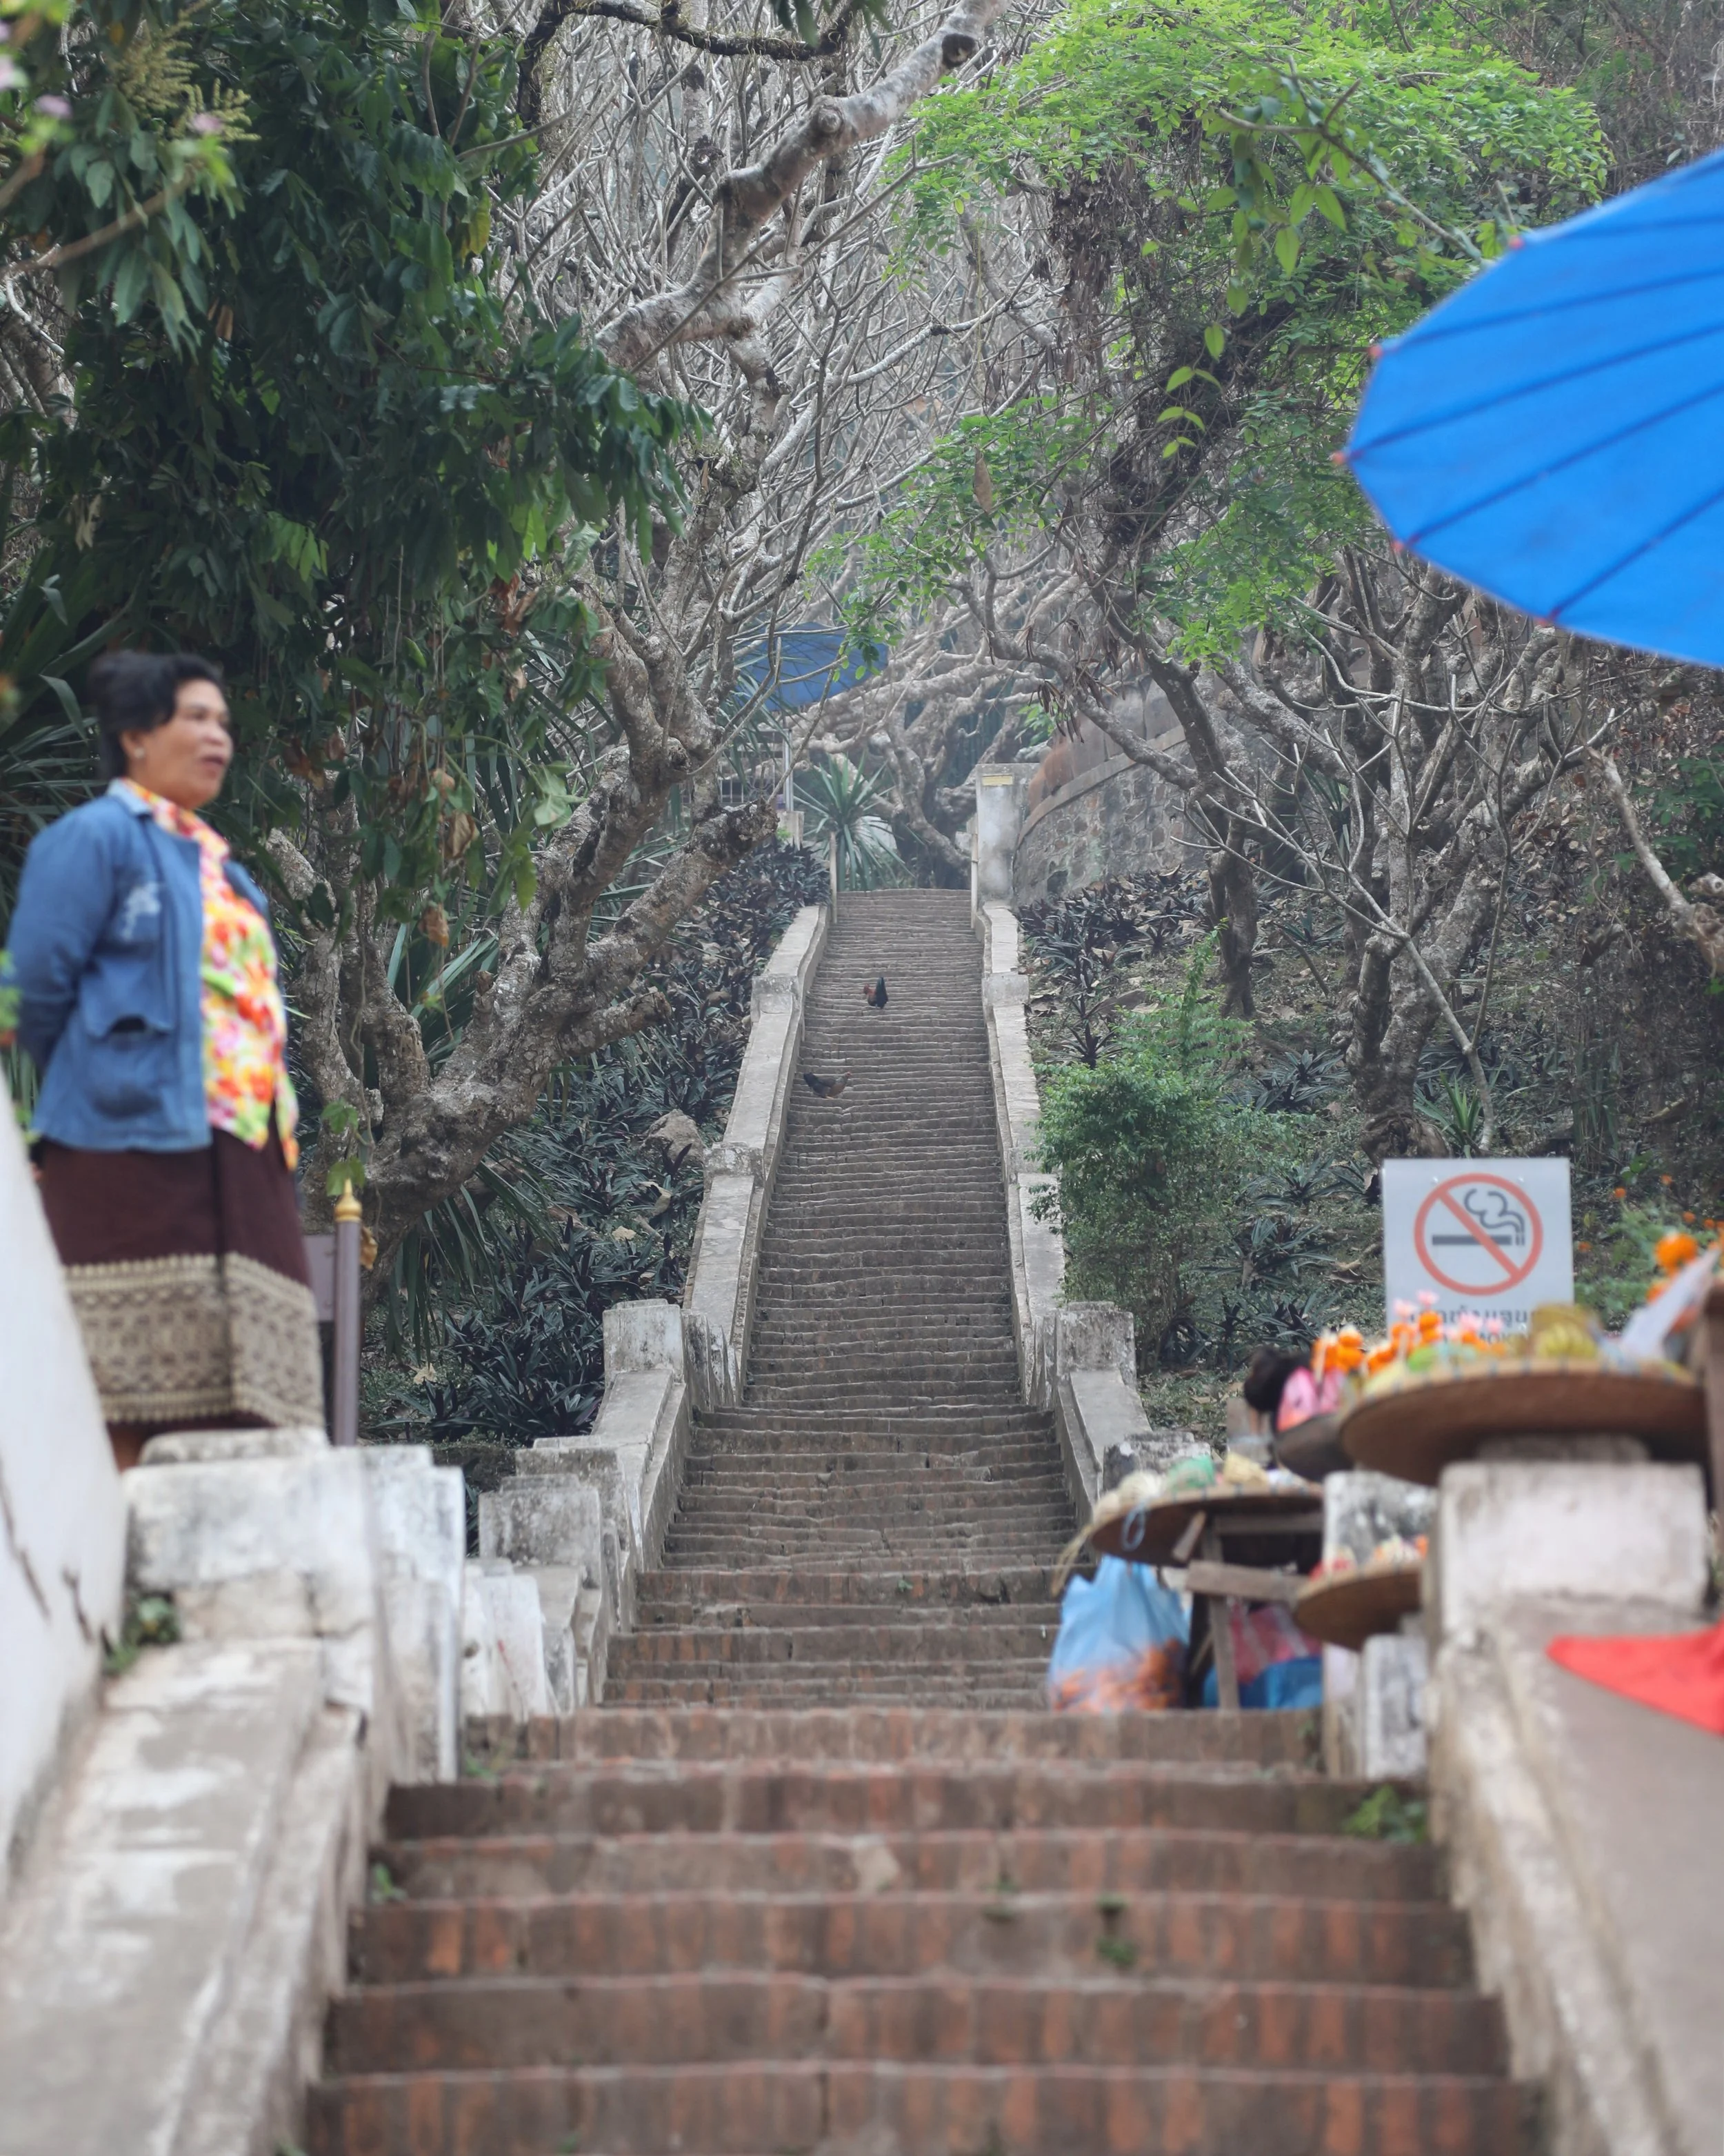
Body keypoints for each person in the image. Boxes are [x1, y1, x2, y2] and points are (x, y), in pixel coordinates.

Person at [2, 651, 323, 1467]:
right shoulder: (92, 840)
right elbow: (34, 990)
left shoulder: (228, 872)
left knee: (250, 1402)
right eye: (196, 717)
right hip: (127, 1153)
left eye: (224, 722)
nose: (219, 736)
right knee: (117, 1395)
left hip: (244, 1157)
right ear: (136, 736)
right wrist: (102, 1081)